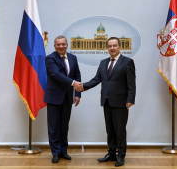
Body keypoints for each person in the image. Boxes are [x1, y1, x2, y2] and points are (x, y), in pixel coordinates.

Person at [77, 37, 136, 167]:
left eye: (115, 45)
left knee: (120, 130)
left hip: (121, 102)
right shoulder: (103, 62)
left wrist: (130, 99)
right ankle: (111, 153)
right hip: (106, 101)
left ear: (119, 47)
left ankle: (121, 155)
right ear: (107, 48)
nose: (112, 48)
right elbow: (96, 79)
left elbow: (131, 83)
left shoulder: (127, 62)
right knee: (110, 129)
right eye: (110, 46)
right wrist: (83, 87)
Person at [44, 35, 83, 163]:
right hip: (54, 98)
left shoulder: (73, 58)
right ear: (54, 46)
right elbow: (56, 74)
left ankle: (63, 151)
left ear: (67, 45)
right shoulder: (50, 58)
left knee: (64, 126)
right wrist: (73, 83)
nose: (61, 46)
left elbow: (77, 74)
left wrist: (77, 94)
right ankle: (55, 152)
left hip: (67, 98)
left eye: (63, 44)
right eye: (58, 44)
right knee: (54, 127)